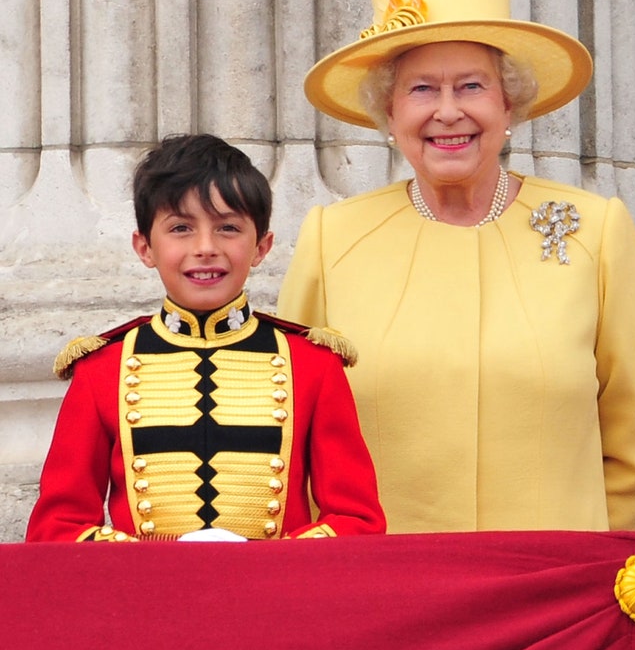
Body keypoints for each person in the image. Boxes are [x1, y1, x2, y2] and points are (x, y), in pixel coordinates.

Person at [277, 0, 635, 533]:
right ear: (390, 113)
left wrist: (586, 558)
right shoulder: (332, 238)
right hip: (388, 585)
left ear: (509, 106)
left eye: (471, 86)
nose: (448, 111)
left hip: (549, 585)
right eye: (421, 90)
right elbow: (291, 425)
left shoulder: (594, 229)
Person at [25, 133, 386, 543]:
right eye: (180, 227)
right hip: (148, 598)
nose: (205, 248)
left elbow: (358, 521)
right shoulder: (101, 369)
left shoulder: (312, 364)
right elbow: (56, 528)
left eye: (228, 228)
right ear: (144, 248)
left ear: (261, 247)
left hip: (276, 595)